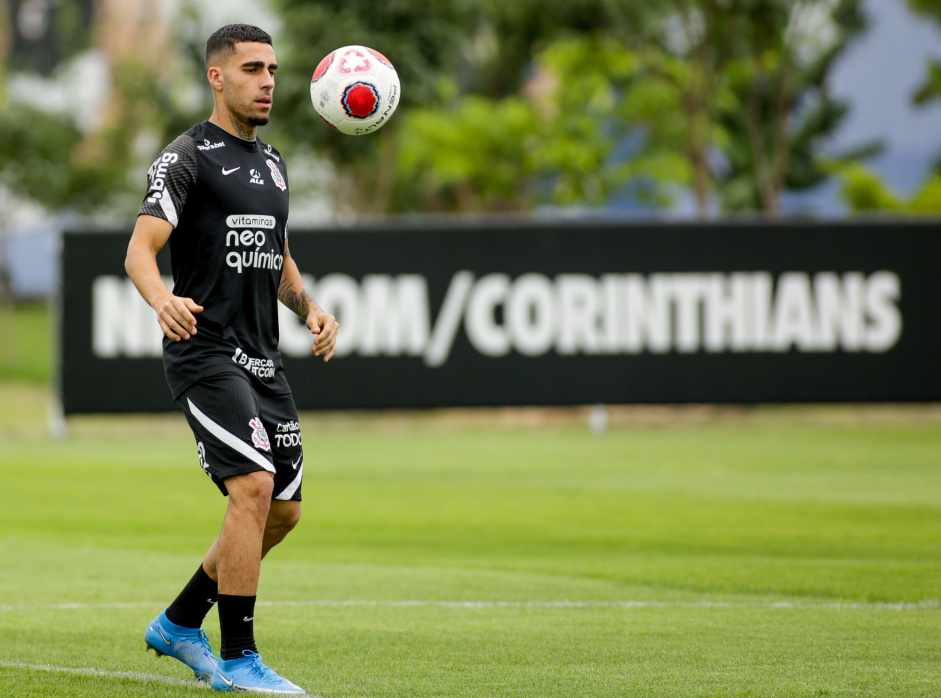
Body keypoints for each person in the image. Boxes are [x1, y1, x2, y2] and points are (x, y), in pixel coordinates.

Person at [125, 24, 338, 694]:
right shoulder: (187, 157)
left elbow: (274, 254)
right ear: (217, 77)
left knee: (283, 510)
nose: (268, 80)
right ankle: (240, 660)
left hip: (262, 357)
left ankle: (180, 622)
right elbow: (139, 250)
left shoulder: (273, 162)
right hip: (204, 352)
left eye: (273, 69)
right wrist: (160, 297)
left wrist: (311, 309)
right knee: (251, 487)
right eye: (252, 69)